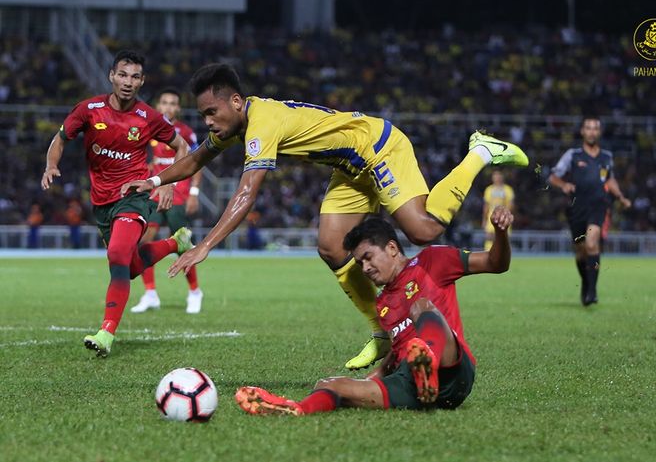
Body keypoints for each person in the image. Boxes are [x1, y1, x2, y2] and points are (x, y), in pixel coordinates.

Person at [121, 63, 528, 369]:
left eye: (211, 112)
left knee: (423, 230)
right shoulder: (238, 123)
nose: (208, 122)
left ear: (235, 102)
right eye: (203, 115)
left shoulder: (262, 124)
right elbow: (193, 160)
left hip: (378, 147)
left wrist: (205, 247)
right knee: (332, 248)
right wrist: (153, 179)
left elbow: (246, 194)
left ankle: (481, 152)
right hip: (351, 168)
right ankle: (382, 331)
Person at [234, 207, 513, 415]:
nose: (365, 268)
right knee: (330, 383)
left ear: (392, 248)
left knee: (421, 307)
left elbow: (495, 263)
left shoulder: (432, 260)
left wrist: (500, 233)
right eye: (359, 263)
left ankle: (428, 361)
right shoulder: (383, 305)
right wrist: (361, 384)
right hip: (412, 384)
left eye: (368, 258)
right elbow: (397, 354)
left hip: (453, 373)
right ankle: (295, 409)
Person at [41, 50, 193, 357]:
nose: (127, 82)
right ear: (112, 76)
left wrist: (168, 182)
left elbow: (183, 146)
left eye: (134, 77)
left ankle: (106, 333)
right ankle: (175, 244)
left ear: (142, 81)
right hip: (101, 203)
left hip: (134, 197)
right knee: (130, 265)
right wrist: (50, 165)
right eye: (122, 75)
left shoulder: (148, 117)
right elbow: (59, 139)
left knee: (118, 254)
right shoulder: (89, 110)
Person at [130, 87, 204, 314]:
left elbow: (196, 162)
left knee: (182, 243)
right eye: (165, 102)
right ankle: (150, 293)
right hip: (154, 194)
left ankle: (194, 291)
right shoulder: (149, 130)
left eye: (173, 103)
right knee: (142, 241)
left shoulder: (185, 132)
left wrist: (194, 193)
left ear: (178, 108)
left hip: (178, 193)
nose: (169, 106)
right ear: (158, 106)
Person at [549, 117, 631, 306]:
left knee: (592, 244)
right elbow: (553, 177)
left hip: (598, 205)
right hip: (577, 207)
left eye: (595, 128)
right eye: (588, 128)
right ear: (582, 132)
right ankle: (587, 282)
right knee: (580, 251)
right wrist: (564, 184)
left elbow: (609, 180)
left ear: (599, 132)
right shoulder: (573, 155)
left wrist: (621, 197)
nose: (592, 131)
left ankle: (592, 292)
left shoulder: (606, 157)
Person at [482, 170, 514, 250]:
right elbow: (486, 206)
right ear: (492, 178)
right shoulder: (489, 190)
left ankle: (502, 258)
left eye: (499, 176)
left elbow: (510, 205)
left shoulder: (508, 190)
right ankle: (489, 256)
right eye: (495, 176)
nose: (497, 178)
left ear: (502, 177)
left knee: (504, 239)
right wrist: (484, 219)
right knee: (489, 238)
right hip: (491, 218)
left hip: (503, 218)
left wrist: (506, 215)